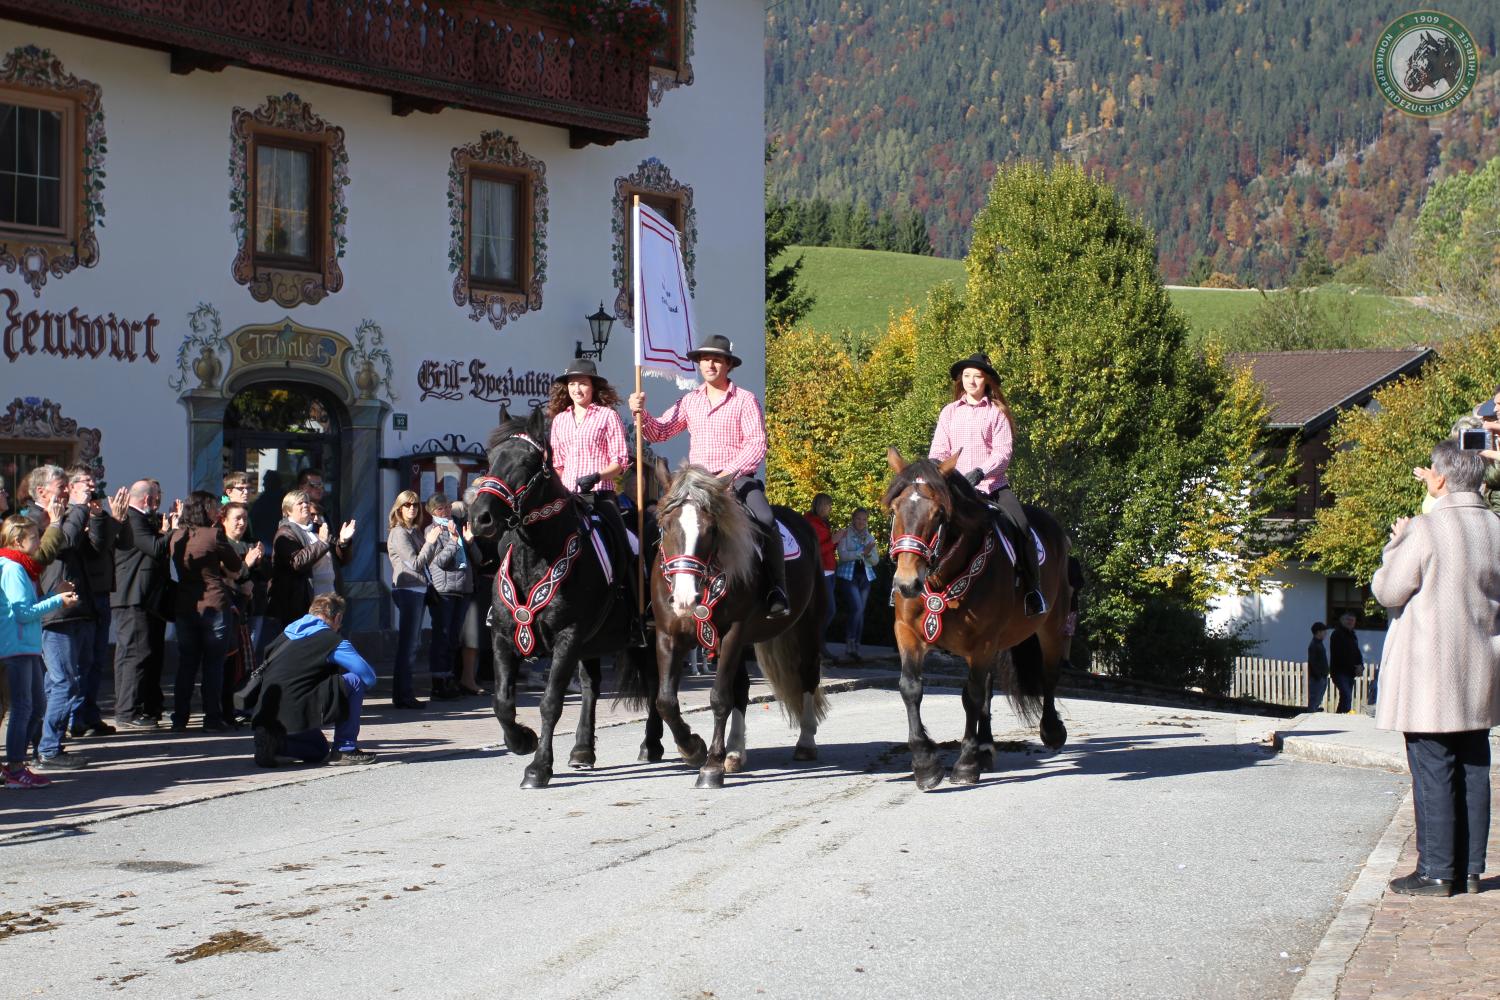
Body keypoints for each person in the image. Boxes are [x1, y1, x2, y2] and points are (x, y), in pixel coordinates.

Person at [1372, 440, 1500, 897]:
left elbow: (1389, 590)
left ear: (1441, 478)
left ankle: (1436, 871)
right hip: (1482, 662)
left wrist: (1397, 542)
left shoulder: (1427, 528)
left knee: (1432, 766)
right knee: (1473, 766)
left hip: (1431, 666)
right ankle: (1469, 870)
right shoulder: (1495, 526)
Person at [629, 334, 789, 617]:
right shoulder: (690, 401)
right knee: (662, 523)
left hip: (736, 479)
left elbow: (756, 444)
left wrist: (726, 475)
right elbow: (660, 432)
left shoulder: (745, 400)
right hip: (696, 484)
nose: (710, 365)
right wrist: (641, 414)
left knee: (765, 519)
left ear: (728, 365)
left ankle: (776, 589)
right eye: (705, 359)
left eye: (717, 360)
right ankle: (658, 596)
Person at [930, 352, 1045, 617]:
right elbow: (938, 449)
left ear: (987, 381)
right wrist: (939, 470)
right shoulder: (949, 412)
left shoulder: (997, 413)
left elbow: (1003, 452)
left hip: (992, 487)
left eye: (977, 376)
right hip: (956, 490)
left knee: (1022, 527)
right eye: (967, 375)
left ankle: (1032, 591)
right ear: (961, 379)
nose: (971, 381)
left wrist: (981, 472)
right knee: (922, 522)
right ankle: (908, 587)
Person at [548, 358, 642, 641]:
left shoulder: (607, 416)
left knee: (625, 546)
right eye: (572, 384)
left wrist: (597, 475)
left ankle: (635, 613)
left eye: (583, 383)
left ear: (593, 387)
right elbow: (558, 463)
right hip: (569, 499)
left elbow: (620, 461)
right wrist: (564, 485)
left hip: (600, 496)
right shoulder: (559, 420)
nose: (577, 389)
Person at [245, 592, 377, 767]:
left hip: (267, 713)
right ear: (338, 617)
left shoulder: (284, 635)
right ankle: (345, 749)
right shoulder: (332, 641)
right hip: (296, 709)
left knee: (319, 749)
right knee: (354, 681)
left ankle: (275, 745)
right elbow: (368, 676)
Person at [1, 515, 80, 788]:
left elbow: (27, 607)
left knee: (35, 707)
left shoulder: (21, 567)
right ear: (17, 541)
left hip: (24, 646)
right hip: (16, 647)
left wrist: (54, 594)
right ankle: (15, 767)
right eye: (34, 537)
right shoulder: (13, 569)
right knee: (24, 707)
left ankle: (14, 765)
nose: (39, 543)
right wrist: (57, 600)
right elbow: (23, 613)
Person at [35, 465, 102, 771]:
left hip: (74, 608)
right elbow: (65, 542)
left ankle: (48, 743)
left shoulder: (63, 515)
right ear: (42, 491)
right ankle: (48, 749)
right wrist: (77, 508)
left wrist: (95, 517)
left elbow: (95, 549)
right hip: (55, 612)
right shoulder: (37, 519)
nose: (66, 492)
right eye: (61, 487)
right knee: (64, 682)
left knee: (60, 682)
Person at [167, 491, 243, 732]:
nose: (216, 511)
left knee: (187, 664)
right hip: (214, 602)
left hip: (185, 605)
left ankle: (180, 718)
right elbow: (235, 564)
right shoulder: (213, 534)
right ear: (203, 509)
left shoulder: (176, 536)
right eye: (213, 507)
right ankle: (212, 718)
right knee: (213, 665)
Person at [111, 479, 177, 729]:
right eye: (157, 496)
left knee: (145, 654)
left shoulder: (143, 519)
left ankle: (146, 706)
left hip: (146, 598)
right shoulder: (133, 518)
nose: (159, 501)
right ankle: (128, 711)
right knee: (134, 655)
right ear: (148, 499)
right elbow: (155, 548)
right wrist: (172, 531)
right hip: (132, 598)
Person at [269, 489, 354, 631]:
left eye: (307, 502)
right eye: (300, 503)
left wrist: (344, 542)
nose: (305, 505)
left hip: (329, 596)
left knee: (328, 636)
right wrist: (321, 543)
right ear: (288, 511)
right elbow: (297, 562)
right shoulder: (285, 533)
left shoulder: (317, 529)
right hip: (304, 602)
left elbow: (341, 560)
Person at [385, 489, 440, 709]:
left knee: (413, 644)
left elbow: (426, 561)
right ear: (399, 509)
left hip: (419, 589)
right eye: (407, 505)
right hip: (407, 589)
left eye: (415, 505)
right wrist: (430, 542)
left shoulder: (414, 531)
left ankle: (404, 693)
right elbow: (415, 563)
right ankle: (403, 695)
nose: (412, 509)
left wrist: (431, 543)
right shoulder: (399, 533)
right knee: (409, 644)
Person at [221, 501, 269, 724]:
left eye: (244, 518)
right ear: (224, 520)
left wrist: (259, 562)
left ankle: (244, 704)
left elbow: (263, 576)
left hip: (250, 609)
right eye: (236, 518)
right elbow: (228, 576)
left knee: (248, 662)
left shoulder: (250, 544)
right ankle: (231, 706)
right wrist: (247, 564)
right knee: (232, 663)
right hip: (231, 610)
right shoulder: (223, 545)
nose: (241, 523)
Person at [423, 492, 473, 700]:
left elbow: (474, 558)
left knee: (454, 638)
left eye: (447, 507)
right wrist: (454, 542)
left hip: (462, 588)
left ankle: (450, 677)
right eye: (440, 508)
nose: (445, 511)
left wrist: (469, 542)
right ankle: (438, 682)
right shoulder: (432, 530)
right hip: (443, 589)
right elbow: (439, 562)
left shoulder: (457, 526)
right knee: (441, 636)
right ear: (432, 512)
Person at [835, 507, 879, 662]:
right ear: (853, 519)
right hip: (848, 576)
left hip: (865, 578)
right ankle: (850, 643)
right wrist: (862, 552)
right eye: (858, 518)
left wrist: (868, 554)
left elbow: (875, 561)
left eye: (864, 519)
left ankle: (856, 646)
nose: (861, 522)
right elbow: (843, 555)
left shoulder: (869, 537)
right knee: (857, 609)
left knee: (860, 611)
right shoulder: (845, 534)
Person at [803, 494, 837, 657]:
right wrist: (834, 540)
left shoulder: (822, 522)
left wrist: (835, 541)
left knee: (824, 610)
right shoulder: (812, 523)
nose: (830, 508)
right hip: (821, 571)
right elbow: (815, 550)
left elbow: (826, 547)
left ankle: (817, 642)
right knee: (828, 610)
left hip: (829, 571)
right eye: (828, 505)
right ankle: (816, 642)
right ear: (820, 506)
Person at [1329, 611, 1363, 714]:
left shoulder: (1353, 635)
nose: (1350, 622)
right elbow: (1341, 654)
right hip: (1339, 672)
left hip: (1350, 673)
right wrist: (1354, 666)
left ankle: (1339, 717)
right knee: (1347, 696)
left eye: (1352, 620)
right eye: (1348, 620)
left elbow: (1357, 653)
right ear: (1342, 621)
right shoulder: (1337, 634)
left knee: (1345, 698)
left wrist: (1360, 666)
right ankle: (1342, 717)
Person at [1307, 621, 1330, 711]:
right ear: (1318, 632)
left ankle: (1314, 712)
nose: (1326, 633)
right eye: (1324, 631)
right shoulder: (1314, 645)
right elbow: (1312, 662)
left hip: (1322, 677)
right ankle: (1310, 715)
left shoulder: (1319, 644)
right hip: (1317, 678)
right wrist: (1318, 676)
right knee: (1314, 699)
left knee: (1318, 699)